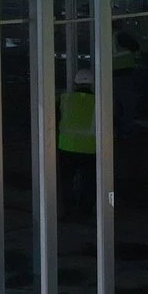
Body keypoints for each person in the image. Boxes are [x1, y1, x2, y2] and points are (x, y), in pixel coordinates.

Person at [58, 66, 99, 214]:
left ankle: (68, 209)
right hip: (90, 149)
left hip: (66, 147)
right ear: (92, 83)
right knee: (89, 182)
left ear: (75, 83)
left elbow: (57, 119)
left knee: (67, 181)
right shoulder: (98, 102)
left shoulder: (65, 99)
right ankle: (85, 210)